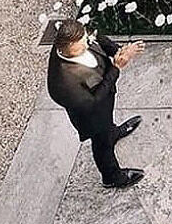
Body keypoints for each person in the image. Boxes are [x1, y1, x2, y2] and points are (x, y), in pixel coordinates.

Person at [46, 19, 145, 189]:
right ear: (65, 49)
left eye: (85, 40)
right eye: (81, 48)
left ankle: (113, 132)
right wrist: (116, 68)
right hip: (92, 116)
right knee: (102, 144)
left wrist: (118, 50)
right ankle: (111, 177)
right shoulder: (62, 83)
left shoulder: (77, 33)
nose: (87, 46)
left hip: (104, 102)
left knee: (108, 127)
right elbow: (93, 102)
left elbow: (97, 37)